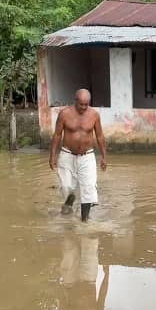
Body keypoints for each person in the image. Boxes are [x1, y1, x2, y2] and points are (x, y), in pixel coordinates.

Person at [49, 89, 107, 222]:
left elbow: (100, 136)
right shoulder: (64, 114)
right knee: (66, 186)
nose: (84, 107)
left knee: (89, 187)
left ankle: (84, 220)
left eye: (86, 104)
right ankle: (69, 203)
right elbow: (57, 135)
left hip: (87, 156)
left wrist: (104, 157)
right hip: (67, 155)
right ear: (75, 100)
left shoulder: (94, 115)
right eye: (81, 104)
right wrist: (52, 156)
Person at [58, 235, 109, 310]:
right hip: (89, 278)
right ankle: (86, 228)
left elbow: (61, 299)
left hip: (70, 282)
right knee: (91, 242)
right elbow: (102, 293)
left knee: (68, 247)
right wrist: (106, 274)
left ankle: (69, 230)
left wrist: (57, 281)